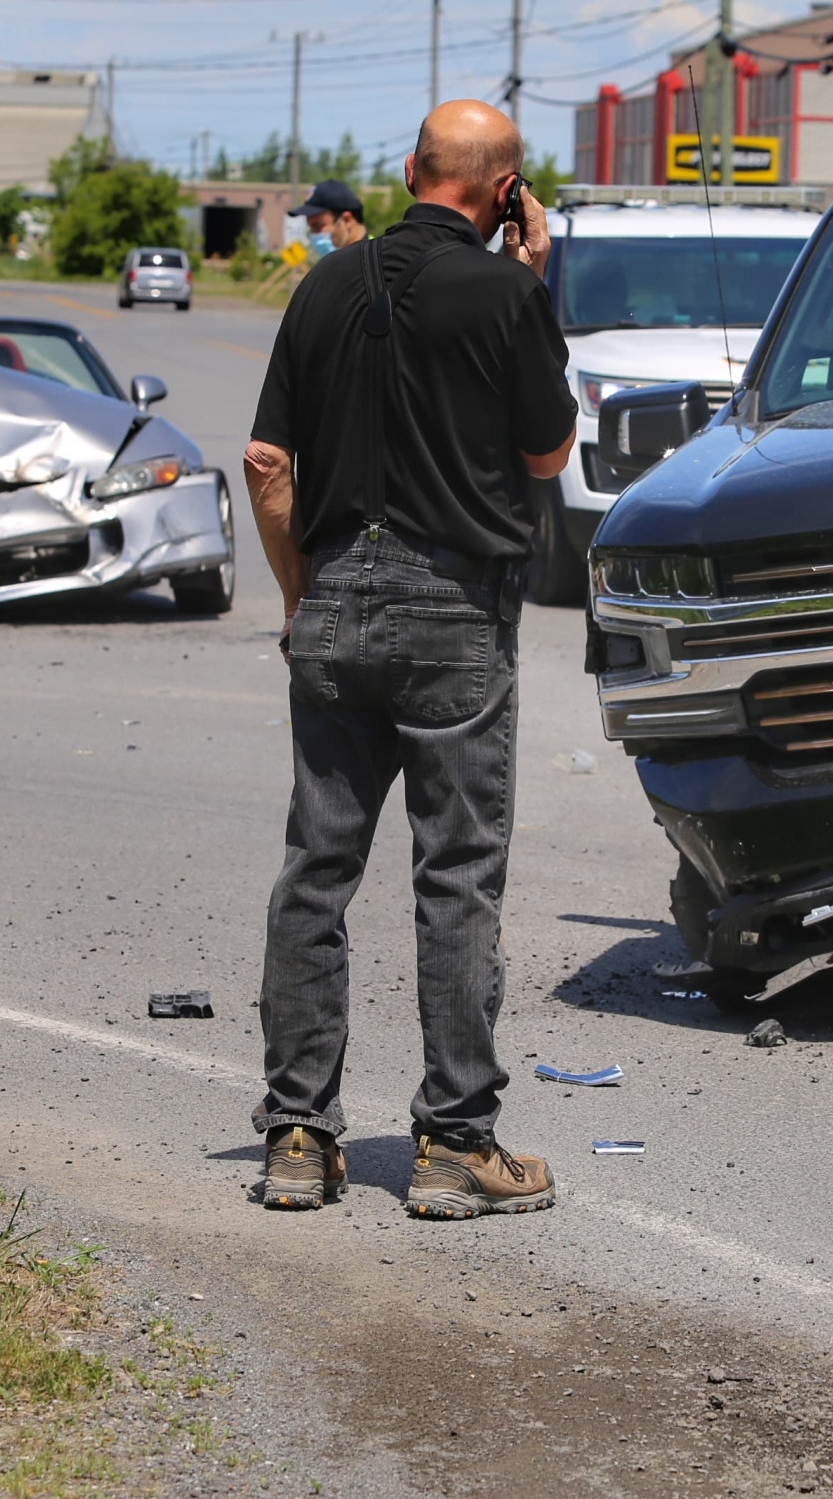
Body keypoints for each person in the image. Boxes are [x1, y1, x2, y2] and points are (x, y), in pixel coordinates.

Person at [243, 101, 577, 1220]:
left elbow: (267, 466)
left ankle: (297, 1136)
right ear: (505, 190)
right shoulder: (508, 292)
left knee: (317, 870)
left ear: (407, 172)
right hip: (453, 611)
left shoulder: (325, 285)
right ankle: (454, 1146)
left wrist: (301, 601)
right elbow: (547, 449)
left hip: (334, 595)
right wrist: (536, 280)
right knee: (456, 877)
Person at [290, 178, 367, 258]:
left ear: (346, 220)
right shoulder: (338, 262)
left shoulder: (376, 262)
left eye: (318, 225)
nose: (313, 234)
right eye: (311, 227)